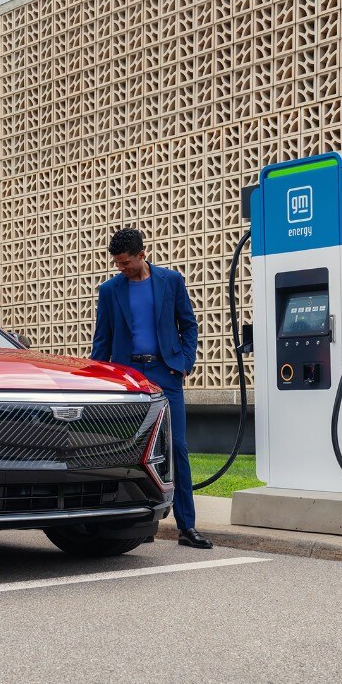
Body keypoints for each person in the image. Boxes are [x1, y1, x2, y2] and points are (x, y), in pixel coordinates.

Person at [91, 228, 211, 549]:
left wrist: (184, 362)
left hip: (165, 373)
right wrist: (98, 381)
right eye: (117, 264)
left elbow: (188, 323)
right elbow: (101, 341)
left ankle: (187, 528)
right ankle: (139, 525)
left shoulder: (171, 281)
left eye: (126, 262)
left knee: (177, 448)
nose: (121, 268)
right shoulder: (109, 291)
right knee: (131, 451)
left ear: (143, 255)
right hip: (128, 377)